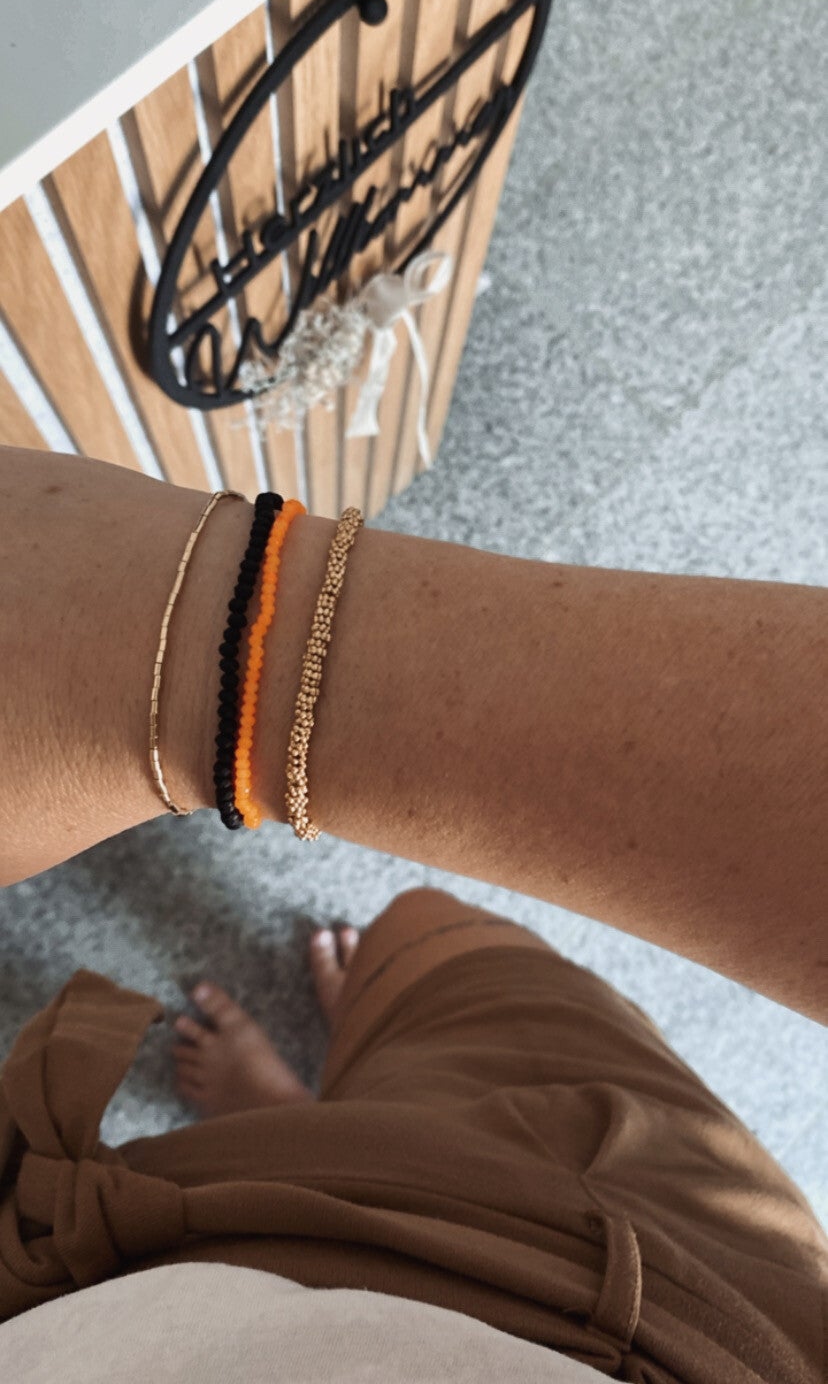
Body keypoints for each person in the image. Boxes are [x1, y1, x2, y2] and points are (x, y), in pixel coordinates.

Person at [0, 444, 825, 1383]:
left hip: (115, 1295)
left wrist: (197, 630)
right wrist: (211, 639)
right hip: (671, 1265)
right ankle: (325, 1094)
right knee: (421, 933)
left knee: (411, 968)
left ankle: (307, 1111)